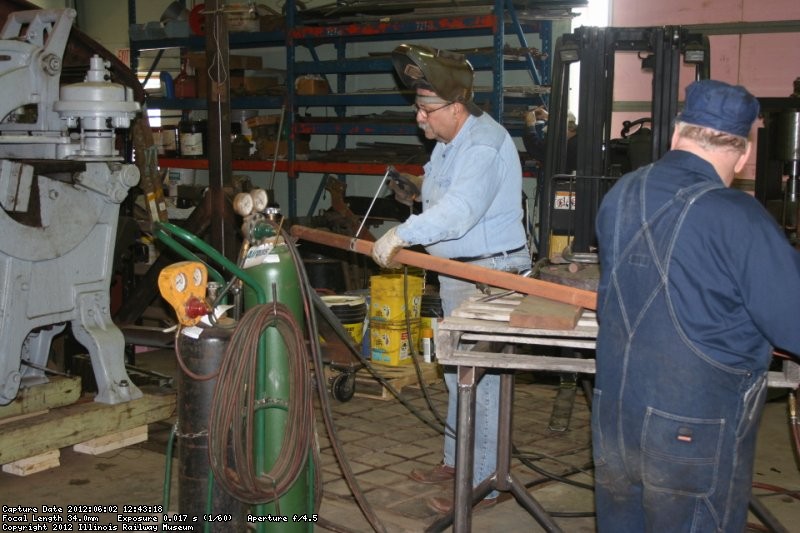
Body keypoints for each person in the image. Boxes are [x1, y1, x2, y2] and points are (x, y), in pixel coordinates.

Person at [593, 79, 800, 532]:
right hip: (690, 432)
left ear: (676, 134)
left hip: (614, 416)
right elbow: (793, 325)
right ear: (743, 154)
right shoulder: (737, 216)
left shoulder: (619, 194)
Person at [371, 43, 531, 514]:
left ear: (456, 107)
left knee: (480, 381)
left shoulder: (483, 144)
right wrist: (415, 195)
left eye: (425, 110)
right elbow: (443, 193)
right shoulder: (450, 143)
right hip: (459, 274)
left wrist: (404, 232)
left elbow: (459, 213)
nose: (419, 118)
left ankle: (484, 482)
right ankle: (456, 461)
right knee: (457, 375)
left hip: (490, 274)